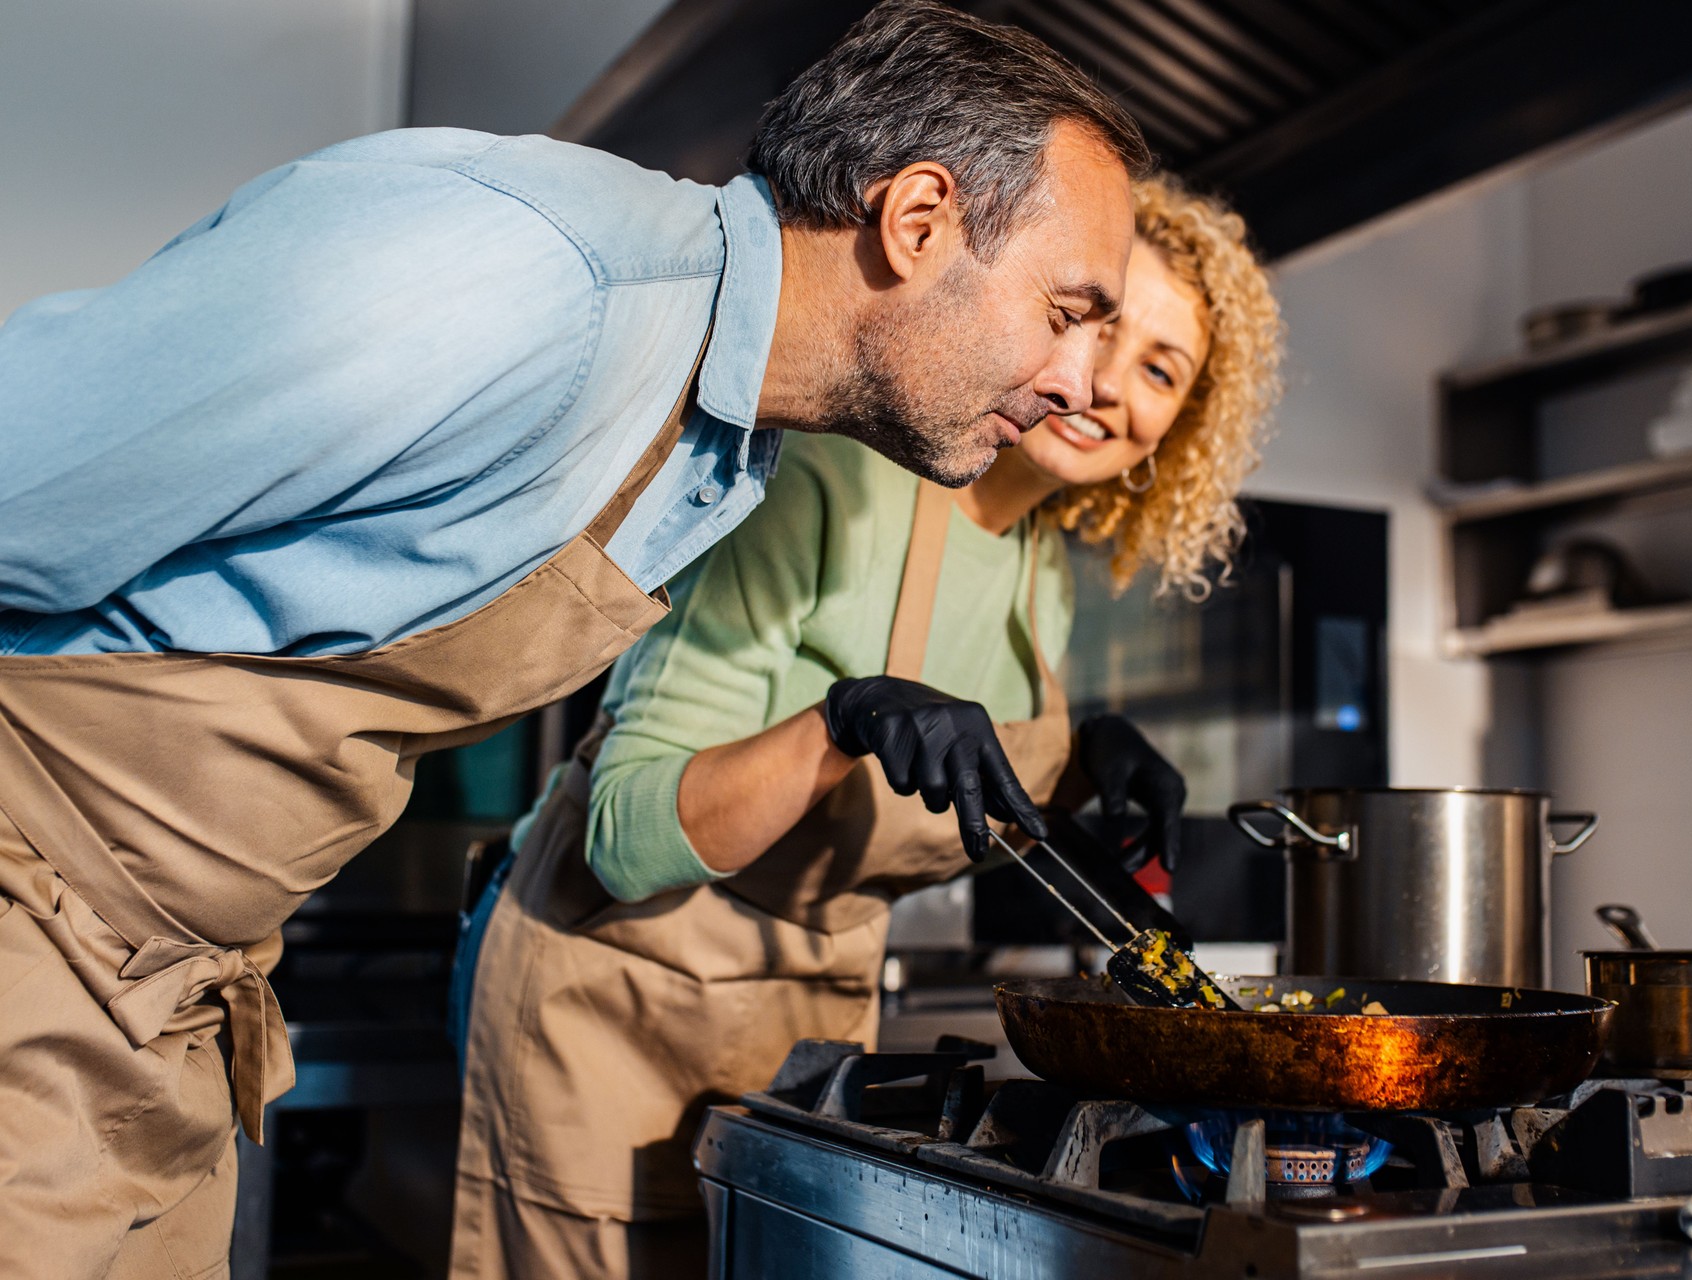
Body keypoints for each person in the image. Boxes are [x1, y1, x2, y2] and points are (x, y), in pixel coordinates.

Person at [0, 3, 1152, 1273]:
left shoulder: (721, 445)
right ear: (917, 218)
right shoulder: (530, 281)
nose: (1080, 384)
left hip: (173, 1002)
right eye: (1066, 308)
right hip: (34, 937)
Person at [450, 173, 1283, 1276]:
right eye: (1103, 325)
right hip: (613, 1002)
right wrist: (843, 719)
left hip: (798, 1019)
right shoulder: (829, 480)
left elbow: (950, 750)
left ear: (1180, 428)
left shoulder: (1044, 571)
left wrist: (1085, 763)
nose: (1107, 385)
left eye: (1163, 370)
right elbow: (624, 835)